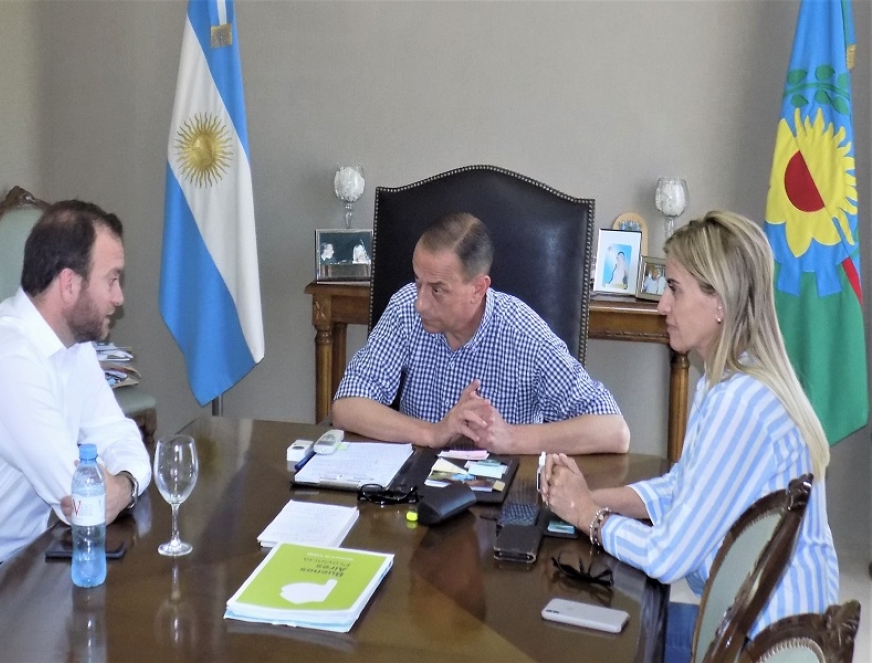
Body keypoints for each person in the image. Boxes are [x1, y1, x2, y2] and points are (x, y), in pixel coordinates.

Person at [541, 211, 838, 663]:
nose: (662, 305)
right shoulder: (725, 380)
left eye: (674, 288)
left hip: (766, 645)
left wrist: (587, 514)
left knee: (588, 643)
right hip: (749, 622)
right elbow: (685, 485)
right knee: (604, 624)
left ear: (719, 300)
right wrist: (598, 498)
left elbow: (668, 557)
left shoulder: (740, 404)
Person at [0, 200, 152, 585]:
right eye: (111, 280)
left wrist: (124, 485)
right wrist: (108, 492)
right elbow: (77, 498)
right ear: (69, 284)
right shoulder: (6, 358)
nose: (119, 298)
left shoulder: (73, 346)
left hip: (25, 558)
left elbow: (119, 436)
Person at [332, 212, 629, 454]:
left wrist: (510, 438)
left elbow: (614, 431)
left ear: (478, 289)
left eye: (437, 290)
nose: (420, 303)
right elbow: (347, 406)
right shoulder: (404, 310)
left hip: (501, 503)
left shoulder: (524, 333)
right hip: (415, 492)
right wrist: (434, 433)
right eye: (418, 282)